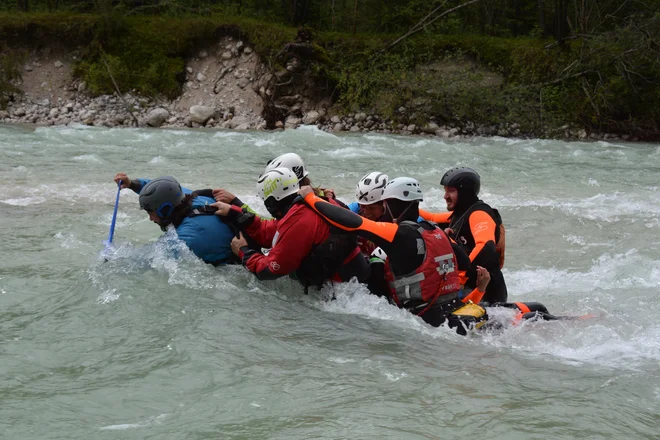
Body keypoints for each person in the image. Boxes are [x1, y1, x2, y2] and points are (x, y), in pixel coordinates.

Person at [298, 177, 491, 333]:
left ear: (391, 205)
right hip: (453, 311)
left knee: (377, 256)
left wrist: (310, 198)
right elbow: (466, 264)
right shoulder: (438, 231)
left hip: (424, 321)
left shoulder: (398, 234)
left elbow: (352, 222)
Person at [210, 167, 370, 291]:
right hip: (357, 277)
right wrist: (236, 213)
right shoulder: (311, 203)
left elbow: (269, 270)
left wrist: (244, 252)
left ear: (272, 202)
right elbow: (271, 230)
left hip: (342, 291)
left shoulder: (298, 222)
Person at [419, 167, 507, 303]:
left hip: (486, 291)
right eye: (445, 190)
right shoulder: (461, 213)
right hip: (468, 288)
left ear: (465, 192)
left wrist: (461, 276)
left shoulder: (479, 214)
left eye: (451, 191)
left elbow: (485, 246)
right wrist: (401, 202)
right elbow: (432, 218)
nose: (445, 196)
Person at [112, 173, 237, 265]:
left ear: (164, 210)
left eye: (150, 212)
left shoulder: (187, 238)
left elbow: (151, 260)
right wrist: (132, 184)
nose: (150, 218)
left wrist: (114, 260)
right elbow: (163, 189)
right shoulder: (190, 198)